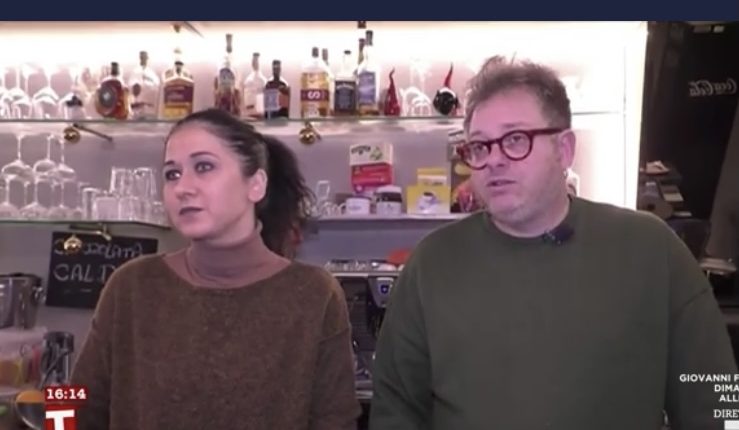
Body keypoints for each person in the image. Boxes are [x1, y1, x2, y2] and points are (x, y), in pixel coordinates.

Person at [369, 57, 737, 429]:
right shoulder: (432, 265)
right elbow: (395, 409)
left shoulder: (653, 252)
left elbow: (720, 401)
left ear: (564, 149)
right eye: (479, 147)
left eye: (515, 140)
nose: (493, 160)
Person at [71, 108, 361, 430]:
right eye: (172, 174)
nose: (183, 187)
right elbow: (71, 404)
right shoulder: (132, 286)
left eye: (204, 167)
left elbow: (337, 421)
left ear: (256, 185)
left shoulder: (313, 294)